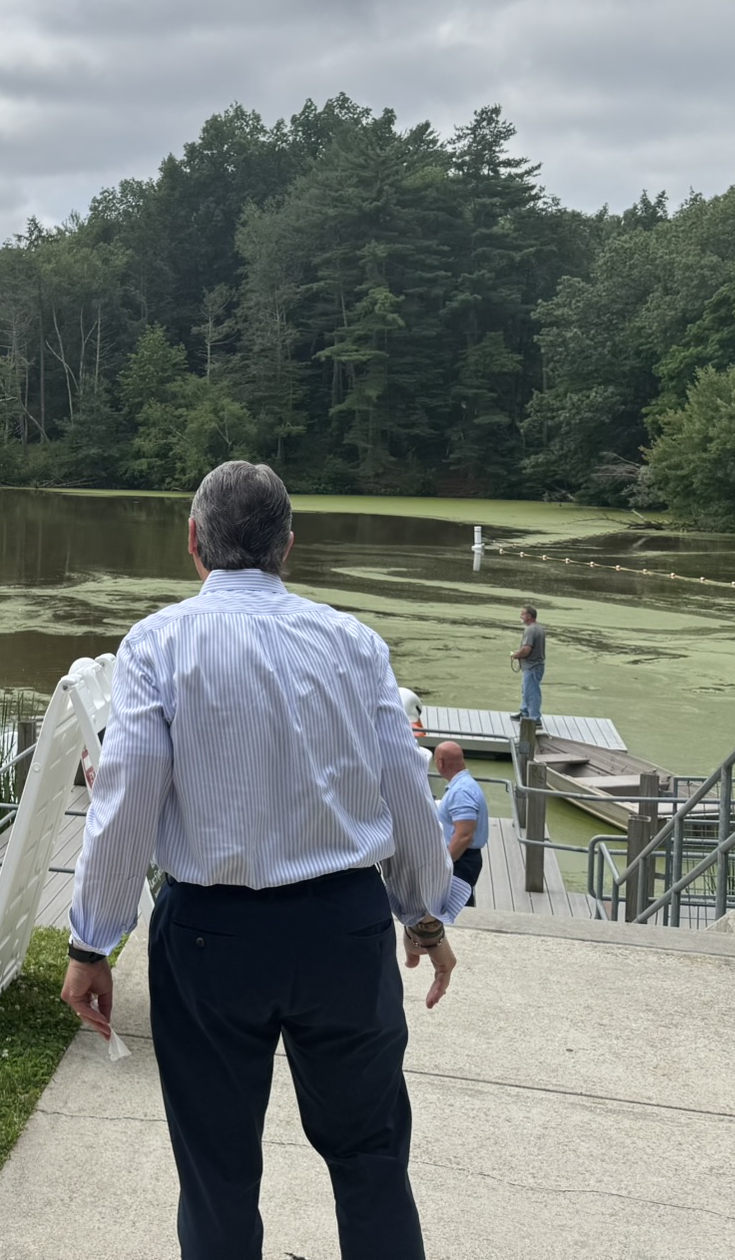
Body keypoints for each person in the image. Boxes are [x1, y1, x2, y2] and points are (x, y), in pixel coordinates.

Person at [61, 460, 465, 1260]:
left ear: (193, 540)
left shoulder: (158, 644)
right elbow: (405, 793)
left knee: (216, 1170)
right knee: (372, 1155)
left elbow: (125, 805)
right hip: (344, 930)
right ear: (287, 545)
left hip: (210, 938)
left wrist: (91, 941)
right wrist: (424, 917)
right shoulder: (354, 644)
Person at [432, 741, 488, 905]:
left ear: (440, 762)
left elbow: (464, 835)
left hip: (461, 859)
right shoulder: (465, 785)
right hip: (464, 858)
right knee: (460, 903)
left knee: (457, 908)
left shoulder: (461, 791)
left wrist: (445, 864)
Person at [511, 604, 546, 723]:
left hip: (532, 667)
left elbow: (526, 649)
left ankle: (534, 719)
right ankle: (524, 712)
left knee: (531, 693)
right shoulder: (538, 628)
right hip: (534, 666)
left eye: (522, 614)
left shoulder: (530, 630)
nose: (520, 616)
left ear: (529, 616)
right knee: (526, 690)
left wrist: (516, 655)